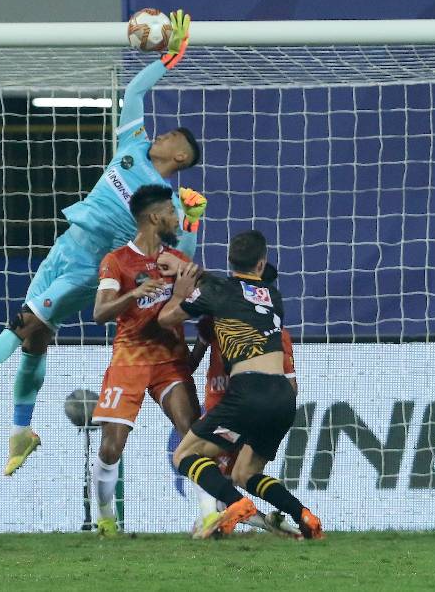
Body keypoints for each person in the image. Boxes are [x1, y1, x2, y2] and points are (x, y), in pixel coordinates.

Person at [0, 10, 207, 477]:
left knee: (21, 326)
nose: (162, 134)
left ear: (180, 156)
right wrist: (168, 59)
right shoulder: (132, 146)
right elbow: (136, 93)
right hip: (64, 246)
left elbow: (183, 261)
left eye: (173, 137)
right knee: (35, 341)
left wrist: (195, 223)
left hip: (90, 269)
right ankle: (21, 432)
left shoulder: (168, 202)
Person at [158, 230, 323, 539]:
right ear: (260, 265)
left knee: (184, 455)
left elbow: (165, 319)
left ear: (229, 259)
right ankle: (304, 516)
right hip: (283, 398)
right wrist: (193, 271)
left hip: (248, 393)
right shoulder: (274, 297)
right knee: (245, 472)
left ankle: (237, 504)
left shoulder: (218, 293)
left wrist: (180, 292)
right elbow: (234, 288)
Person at [89, 185, 202, 536]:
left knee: (193, 432)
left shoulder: (176, 260)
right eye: (170, 211)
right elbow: (99, 313)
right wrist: (134, 294)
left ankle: (208, 515)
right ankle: (104, 517)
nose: (175, 217)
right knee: (112, 448)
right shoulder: (117, 261)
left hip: (170, 359)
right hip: (129, 360)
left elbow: (203, 296)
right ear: (154, 217)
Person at [187, 268, 301, 538]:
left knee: (203, 460)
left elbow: (191, 362)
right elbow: (291, 386)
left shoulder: (228, 321)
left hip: (233, 409)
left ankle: (214, 518)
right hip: (243, 408)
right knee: (229, 476)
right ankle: (274, 522)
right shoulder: (265, 329)